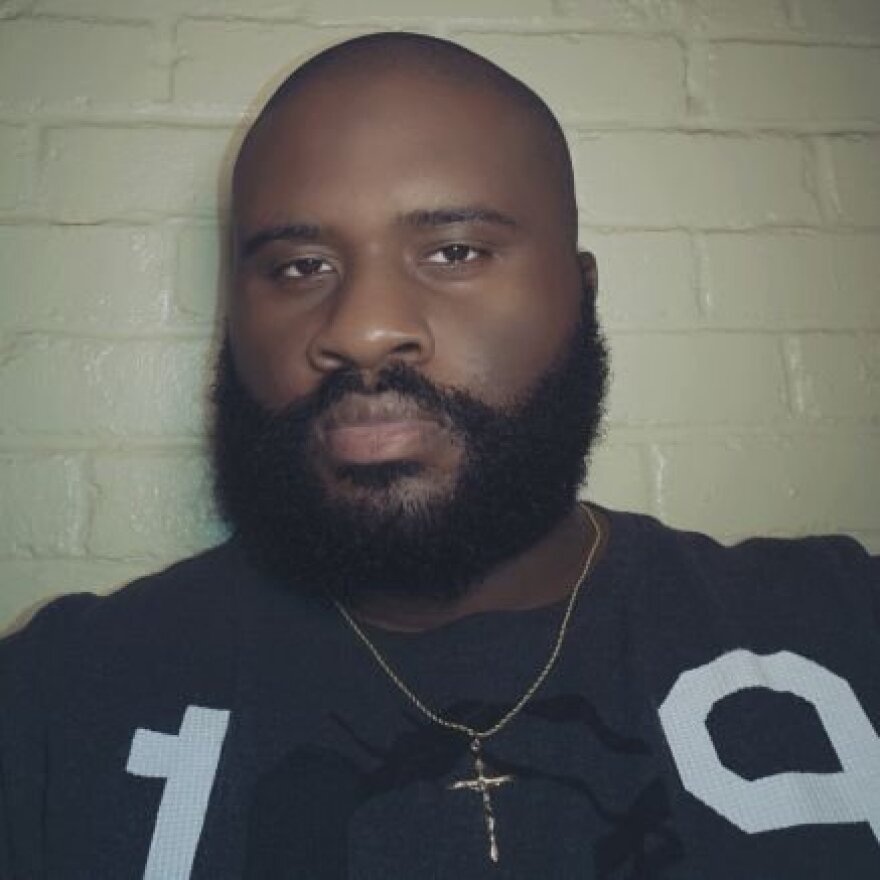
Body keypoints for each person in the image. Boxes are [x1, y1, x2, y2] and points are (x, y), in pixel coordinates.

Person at [1, 31, 877, 880]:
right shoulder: (56, 700)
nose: (362, 329)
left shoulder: (841, 624)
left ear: (580, 295)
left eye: (455, 252)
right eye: (301, 266)